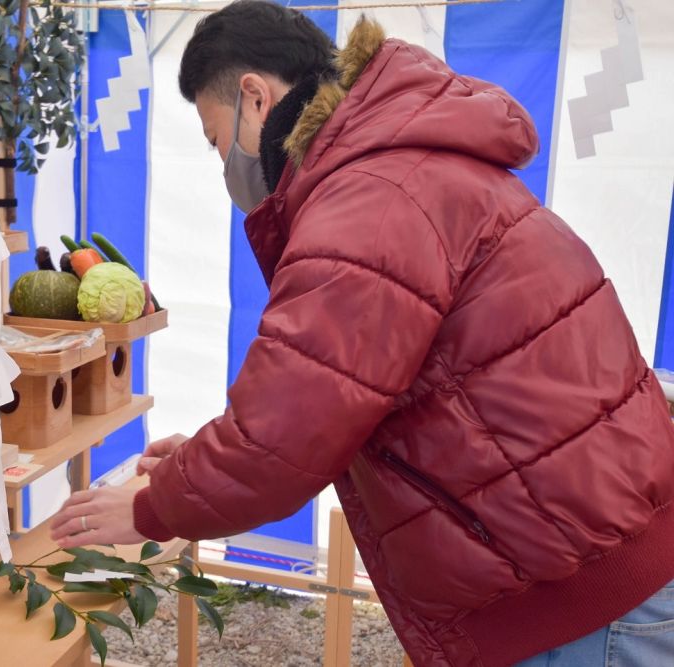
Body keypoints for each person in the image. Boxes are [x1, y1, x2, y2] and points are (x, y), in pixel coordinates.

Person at [50, 2, 674, 665]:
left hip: (582, 599)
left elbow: (281, 438)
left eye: (215, 138)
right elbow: (335, 398)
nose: (222, 163)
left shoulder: (368, 199)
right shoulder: (402, 161)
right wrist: (206, 457)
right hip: (587, 557)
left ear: (255, 98)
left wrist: (150, 509)